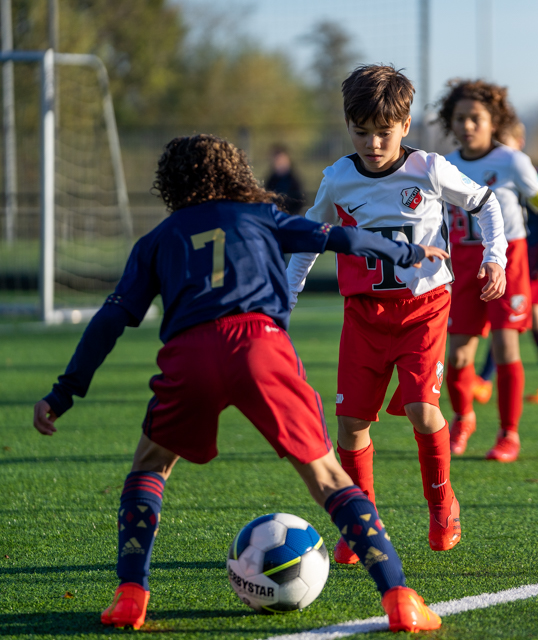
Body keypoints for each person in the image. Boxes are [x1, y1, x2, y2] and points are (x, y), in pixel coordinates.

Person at [32, 134, 445, 633]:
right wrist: (403, 251)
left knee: (149, 466)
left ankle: (130, 596)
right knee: (329, 478)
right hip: (261, 346)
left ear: (172, 186)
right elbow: (338, 237)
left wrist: (64, 393)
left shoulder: (158, 239)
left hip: (190, 353)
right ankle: (399, 597)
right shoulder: (261, 217)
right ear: (237, 176)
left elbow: (109, 321)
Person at [286, 66, 506, 565]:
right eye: (361, 131)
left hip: (423, 310)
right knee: (350, 425)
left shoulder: (428, 168)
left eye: (383, 131)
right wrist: (286, 297)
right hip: (364, 316)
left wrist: (496, 257)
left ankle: (441, 504)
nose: (372, 142)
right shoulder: (338, 179)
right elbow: (309, 240)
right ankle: (361, 523)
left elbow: (487, 205)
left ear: (405, 126)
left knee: (423, 412)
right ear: (348, 126)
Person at [437, 79, 538, 463]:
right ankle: (463, 418)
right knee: (458, 357)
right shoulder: (443, 167)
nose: (468, 126)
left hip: (509, 261)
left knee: (506, 345)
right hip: (461, 265)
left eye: (476, 118)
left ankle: (508, 434)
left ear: (494, 121)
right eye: (460, 118)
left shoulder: (512, 162)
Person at [474, 121, 538, 406]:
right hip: (514, 260)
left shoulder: (528, 172)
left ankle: (485, 380)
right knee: (523, 318)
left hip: (530, 262)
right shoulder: (497, 172)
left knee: (513, 318)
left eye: (504, 143)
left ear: (520, 142)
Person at [265, 145, 306, 215]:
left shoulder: (293, 180)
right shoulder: (271, 180)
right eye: (277, 161)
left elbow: (300, 200)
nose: (280, 163)